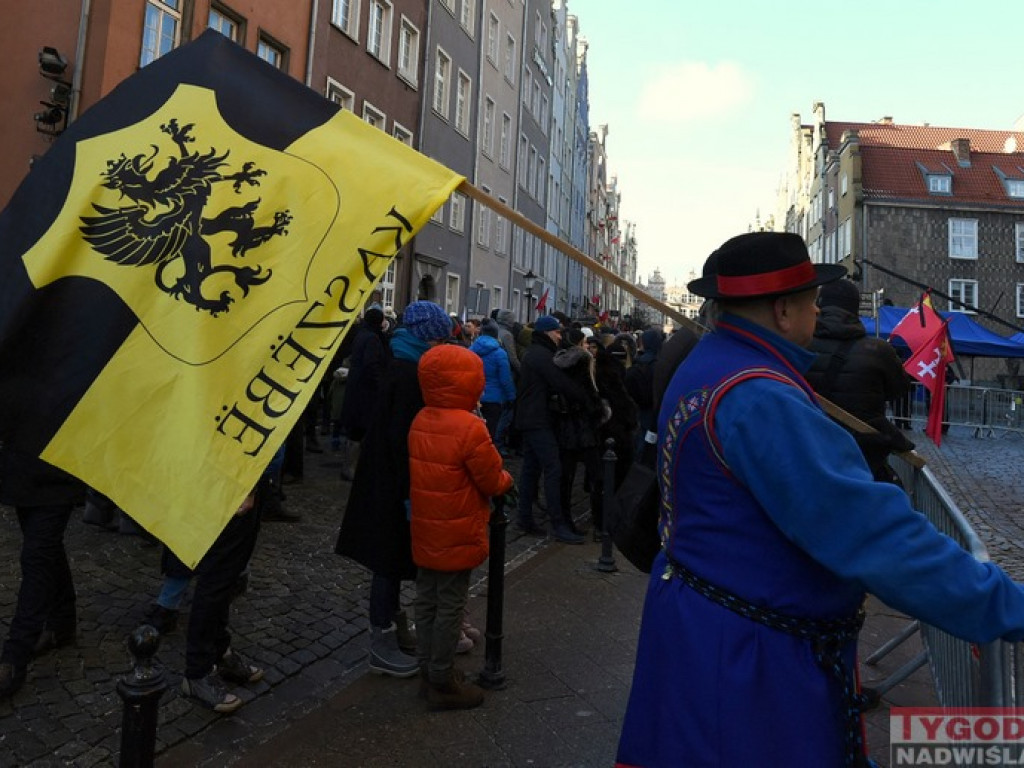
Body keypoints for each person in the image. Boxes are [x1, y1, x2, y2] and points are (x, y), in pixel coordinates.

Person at [616, 231, 1024, 768]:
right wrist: (1006, 604)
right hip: (749, 658)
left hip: (707, 626)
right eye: (812, 301)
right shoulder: (760, 398)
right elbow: (872, 534)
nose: (817, 312)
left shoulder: (711, 362)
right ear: (784, 310)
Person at [335, 301, 453, 678]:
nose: (441, 344)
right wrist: (407, 491)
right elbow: (401, 437)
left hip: (389, 478)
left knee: (393, 558)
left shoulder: (405, 359)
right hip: (389, 482)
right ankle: (381, 640)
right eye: (437, 338)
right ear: (425, 336)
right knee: (387, 560)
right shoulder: (406, 371)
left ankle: (393, 627)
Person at [408, 344, 515, 710]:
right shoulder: (469, 426)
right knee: (451, 602)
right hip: (456, 528)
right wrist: (506, 481)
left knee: (426, 598)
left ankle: (427, 668)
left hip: (426, 525)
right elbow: (490, 479)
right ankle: (442, 678)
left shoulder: (422, 416)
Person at [805, 278, 915, 484]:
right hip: (863, 457)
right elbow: (899, 390)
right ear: (855, 309)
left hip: (809, 453)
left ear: (820, 305)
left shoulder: (799, 345)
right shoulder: (878, 351)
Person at [0, 447, 84, 700]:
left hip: (60, 468)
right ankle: (63, 620)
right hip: (23, 469)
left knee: (37, 554)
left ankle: (16, 653)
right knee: (45, 548)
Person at [512, 315, 590, 543]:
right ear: (547, 332)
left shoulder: (536, 353)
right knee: (553, 468)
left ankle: (524, 518)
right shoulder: (541, 355)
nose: (559, 336)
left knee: (531, 469)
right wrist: (586, 398)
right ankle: (558, 525)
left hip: (530, 418)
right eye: (557, 332)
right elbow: (561, 383)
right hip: (537, 420)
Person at [470, 318, 516, 444]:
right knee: (490, 431)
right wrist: (511, 396)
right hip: (494, 398)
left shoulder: (471, 350)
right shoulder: (500, 353)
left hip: (475, 396)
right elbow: (505, 379)